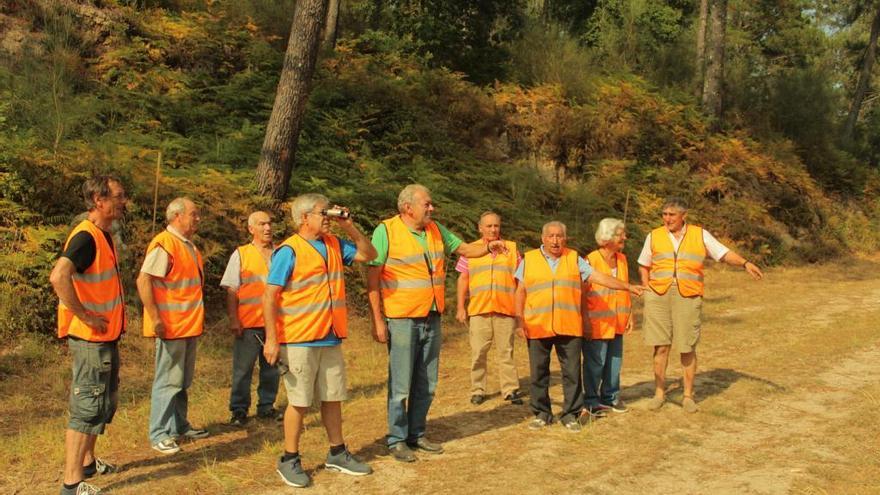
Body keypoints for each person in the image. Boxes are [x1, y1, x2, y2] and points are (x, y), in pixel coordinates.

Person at [366, 184, 508, 462]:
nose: (432, 209)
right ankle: (396, 439)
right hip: (402, 319)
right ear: (408, 207)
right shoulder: (386, 231)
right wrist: (377, 320)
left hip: (432, 316)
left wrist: (488, 246)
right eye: (426, 204)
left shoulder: (435, 229)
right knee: (401, 385)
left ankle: (417, 434)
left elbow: (465, 249)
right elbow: (373, 277)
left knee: (427, 382)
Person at [262, 194, 377, 488]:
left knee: (332, 397)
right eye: (321, 212)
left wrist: (348, 226)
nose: (327, 217)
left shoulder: (335, 245)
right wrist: (272, 339)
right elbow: (270, 295)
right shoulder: (289, 250)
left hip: (329, 336)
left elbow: (369, 254)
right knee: (299, 402)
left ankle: (337, 452)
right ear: (304, 218)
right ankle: (289, 459)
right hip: (299, 338)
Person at [514, 221, 643, 432]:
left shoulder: (574, 258)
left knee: (572, 373)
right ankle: (542, 413)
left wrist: (627, 287)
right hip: (537, 324)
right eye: (551, 236)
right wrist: (519, 321)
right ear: (543, 238)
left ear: (565, 239)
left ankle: (570, 414)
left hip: (569, 325)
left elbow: (599, 277)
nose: (555, 241)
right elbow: (520, 291)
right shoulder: (529, 259)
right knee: (538, 373)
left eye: (559, 236)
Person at [638, 197, 763, 413]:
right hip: (659, 295)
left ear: (683, 216)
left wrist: (745, 263)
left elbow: (723, 254)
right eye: (664, 214)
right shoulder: (654, 235)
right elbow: (644, 264)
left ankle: (688, 396)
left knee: (687, 346)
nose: (667, 219)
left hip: (688, 296)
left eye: (672, 215)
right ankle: (659, 393)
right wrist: (647, 288)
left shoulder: (700, 234)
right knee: (660, 346)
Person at [51, 176, 127, 495]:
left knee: (101, 404)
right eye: (119, 197)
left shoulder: (103, 234)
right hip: (89, 340)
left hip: (104, 338)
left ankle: (87, 463)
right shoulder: (85, 237)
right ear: (99, 200)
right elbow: (59, 276)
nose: (125, 202)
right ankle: (71, 484)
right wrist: (83, 315)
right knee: (86, 408)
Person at [137, 197, 209, 455]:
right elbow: (144, 281)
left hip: (188, 326)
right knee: (168, 380)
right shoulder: (165, 244)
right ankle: (159, 433)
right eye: (194, 214)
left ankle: (179, 425)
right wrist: (155, 318)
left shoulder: (187, 245)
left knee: (182, 380)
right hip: (171, 327)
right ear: (177, 216)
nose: (198, 218)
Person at [455, 211, 523, 406]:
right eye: (489, 226)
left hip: (505, 310)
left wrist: (520, 312)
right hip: (479, 309)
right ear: (480, 228)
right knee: (478, 353)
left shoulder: (511, 249)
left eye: (496, 226)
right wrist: (461, 307)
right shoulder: (470, 250)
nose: (493, 229)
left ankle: (510, 390)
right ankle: (478, 389)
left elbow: (520, 282)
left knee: (506, 352)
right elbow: (463, 279)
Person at [220, 211, 281, 426]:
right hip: (248, 325)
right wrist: (233, 319)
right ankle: (239, 410)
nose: (268, 228)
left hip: (275, 324)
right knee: (243, 369)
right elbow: (231, 290)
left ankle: (266, 407)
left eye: (270, 223)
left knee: (272, 370)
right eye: (262, 224)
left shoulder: (281, 253)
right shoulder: (241, 254)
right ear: (251, 228)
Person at [583, 218, 633, 417]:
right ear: (609, 237)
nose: (625, 238)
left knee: (614, 363)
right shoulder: (590, 260)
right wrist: (585, 321)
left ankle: (610, 397)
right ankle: (591, 401)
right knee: (595, 364)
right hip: (597, 324)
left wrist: (629, 315)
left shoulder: (622, 259)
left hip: (618, 322)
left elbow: (625, 288)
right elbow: (582, 294)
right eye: (621, 235)